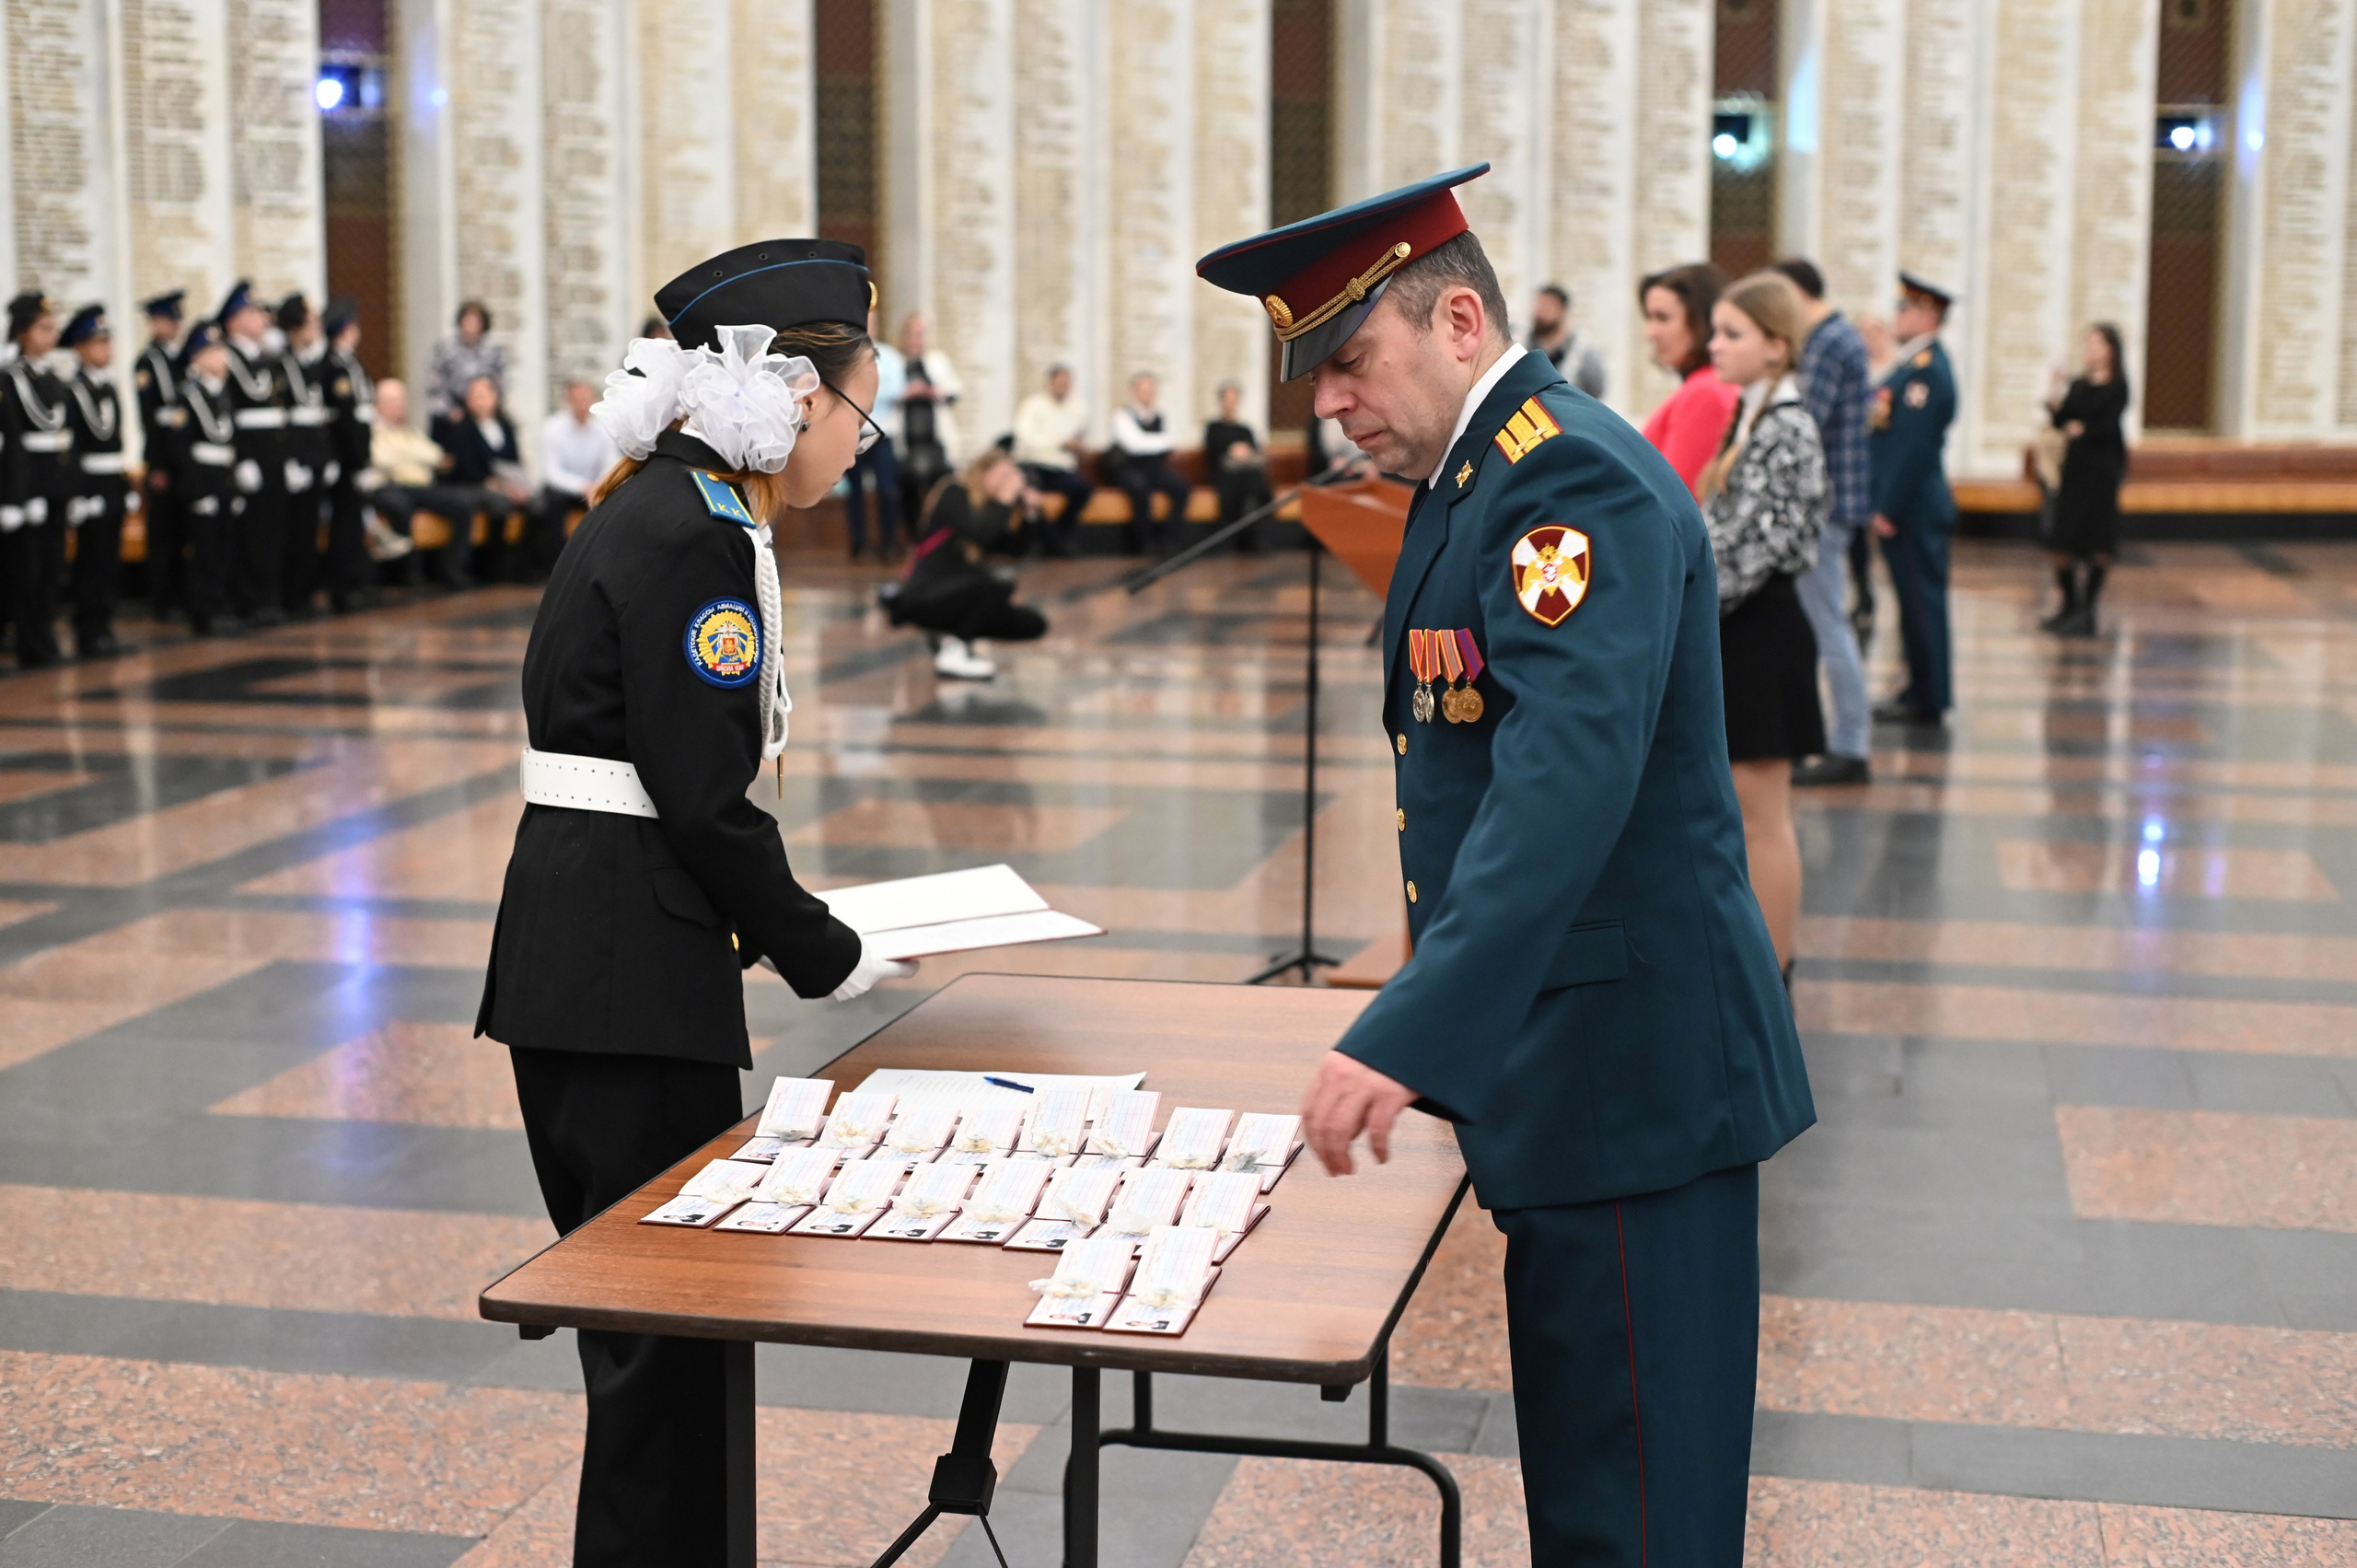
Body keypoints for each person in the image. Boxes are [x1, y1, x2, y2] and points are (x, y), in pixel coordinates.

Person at [1199, 164, 1811, 1568]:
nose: (1328, 404)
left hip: (1638, 1086)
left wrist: (1412, 1026)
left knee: (1637, 1512)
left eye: (1350, 360)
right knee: (1601, 1494)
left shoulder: (1564, 477)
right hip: (1582, 1075)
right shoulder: (1480, 474)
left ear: (1460, 319)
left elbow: (1562, 785)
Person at [477, 237, 913, 1568]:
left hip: (605, 956)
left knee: (672, 1345)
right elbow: (699, 792)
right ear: (791, 396)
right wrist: (819, 944)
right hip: (623, 980)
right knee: (664, 1353)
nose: (863, 440)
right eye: (860, 408)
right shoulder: (691, 534)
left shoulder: (674, 509)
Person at [1699, 273, 1829, 977]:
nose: (1715, 345)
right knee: (1741, 815)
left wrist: (1674, 591)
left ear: (1777, 346)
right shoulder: (1752, 414)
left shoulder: (1788, 428)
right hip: (1739, 628)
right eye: (1716, 330)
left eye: (1732, 334)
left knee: (1764, 817)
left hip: (1763, 630)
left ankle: (1775, 976)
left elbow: (1750, 550)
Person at [1771, 259, 1874, 786]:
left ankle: (1851, 746)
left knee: (1829, 624)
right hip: (1835, 500)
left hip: (1825, 505)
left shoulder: (1830, 342)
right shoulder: (1837, 336)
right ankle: (1831, 737)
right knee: (1823, 622)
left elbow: (1806, 416)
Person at [1870, 273, 1959, 726]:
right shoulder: (1912, 366)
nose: (1897, 317)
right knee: (1913, 605)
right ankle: (1919, 688)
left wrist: (1888, 506)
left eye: (1905, 310)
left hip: (1914, 508)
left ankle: (1929, 697)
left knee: (1923, 604)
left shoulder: (1927, 369)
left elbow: (1913, 448)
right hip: (1910, 505)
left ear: (1927, 316)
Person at [891, 448, 1050, 679]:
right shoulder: (954, 491)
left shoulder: (992, 509)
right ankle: (955, 648)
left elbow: (1015, 550)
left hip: (963, 594)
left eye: (1013, 477)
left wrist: (1030, 513)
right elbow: (978, 534)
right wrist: (1005, 500)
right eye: (1003, 475)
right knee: (998, 584)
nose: (1010, 483)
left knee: (1032, 623)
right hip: (926, 595)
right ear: (983, 472)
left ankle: (951, 637)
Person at [2041, 322, 2130, 636]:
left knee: (2097, 541)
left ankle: (2087, 610)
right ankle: (2069, 605)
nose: (2090, 349)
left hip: (2102, 470)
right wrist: (2055, 395)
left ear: (2111, 350)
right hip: (2076, 469)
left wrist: (2084, 429)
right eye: (2087, 343)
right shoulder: (2079, 384)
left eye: (2097, 344)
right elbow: (2062, 419)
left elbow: (2106, 423)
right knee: (2063, 541)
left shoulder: (2117, 385)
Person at [1, 293, 75, 668]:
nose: (52, 334)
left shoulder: (50, 378)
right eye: (43, 328)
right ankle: (30, 643)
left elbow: (64, 439)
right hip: (29, 488)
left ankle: (44, 639)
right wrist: (19, 496)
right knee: (26, 572)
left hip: (55, 486)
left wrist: (69, 489)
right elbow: (14, 442)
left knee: (52, 569)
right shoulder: (10, 379)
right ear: (22, 332)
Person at [58, 305, 133, 658]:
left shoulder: (107, 388)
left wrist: (123, 485)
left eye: (108, 342)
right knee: (90, 562)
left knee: (108, 563)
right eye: (98, 343)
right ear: (80, 348)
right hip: (89, 484)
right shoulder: (73, 391)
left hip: (111, 483)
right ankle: (88, 630)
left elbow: (113, 439)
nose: (107, 349)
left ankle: (104, 625)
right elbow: (71, 446)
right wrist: (79, 493)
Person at [217, 280, 291, 625]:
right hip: (250, 455)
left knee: (274, 529)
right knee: (251, 532)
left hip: (274, 454)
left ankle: (269, 594)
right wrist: (242, 458)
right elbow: (228, 414)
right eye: (253, 312)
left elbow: (279, 411)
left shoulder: (264, 358)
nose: (262, 318)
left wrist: (286, 455)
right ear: (234, 321)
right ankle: (249, 598)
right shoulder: (228, 358)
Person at [1637, 262, 1739, 495]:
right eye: (1649, 318)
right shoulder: (1708, 385)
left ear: (1702, 321)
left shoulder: (1705, 393)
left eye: (1662, 318)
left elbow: (1673, 498)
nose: (1649, 333)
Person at [357, 377, 470, 587]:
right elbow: (380, 460)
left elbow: (438, 458)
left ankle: (452, 569)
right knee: (400, 506)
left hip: (420, 487)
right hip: (387, 486)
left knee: (461, 503)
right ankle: (409, 574)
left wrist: (406, 454)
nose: (398, 406)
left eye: (401, 400)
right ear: (378, 404)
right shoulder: (370, 430)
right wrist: (414, 456)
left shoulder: (411, 431)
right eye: (392, 401)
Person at [171, 321, 243, 636]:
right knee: (205, 551)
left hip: (224, 480)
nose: (222, 358)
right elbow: (180, 449)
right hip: (202, 483)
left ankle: (221, 605)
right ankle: (203, 613)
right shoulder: (188, 396)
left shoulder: (223, 393)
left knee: (226, 549)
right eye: (214, 351)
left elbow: (229, 442)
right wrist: (197, 490)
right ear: (197, 358)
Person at [430, 375, 528, 581]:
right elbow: (465, 467)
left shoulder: (506, 426)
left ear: (495, 397)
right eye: (475, 396)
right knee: (500, 503)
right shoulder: (461, 428)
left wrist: (516, 485)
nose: (480, 401)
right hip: (472, 484)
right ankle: (491, 568)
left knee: (535, 503)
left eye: (484, 395)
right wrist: (497, 485)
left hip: (505, 483)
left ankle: (522, 566)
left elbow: (514, 461)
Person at [277, 294, 333, 616]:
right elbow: (283, 419)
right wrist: (289, 460)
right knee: (293, 530)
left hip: (314, 457)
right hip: (294, 459)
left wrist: (325, 457)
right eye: (310, 321)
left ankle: (306, 592)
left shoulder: (313, 363)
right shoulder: (281, 363)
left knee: (310, 528)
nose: (316, 327)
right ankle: (292, 595)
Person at [133, 291, 189, 621]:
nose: (176, 325)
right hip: (163, 458)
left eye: (178, 319)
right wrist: (156, 465)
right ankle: (163, 600)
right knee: (164, 533)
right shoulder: (147, 362)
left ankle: (180, 596)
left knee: (182, 532)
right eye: (170, 319)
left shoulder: (180, 359)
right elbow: (150, 419)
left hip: (183, 458)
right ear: (155, 322)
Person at [320, 298, 377, 611]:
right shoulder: (334, 367)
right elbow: (345, 423)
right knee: (344, 526)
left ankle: (355, 583)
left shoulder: (350, 364)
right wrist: (357, 462)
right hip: (344, 460)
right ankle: (342, 589)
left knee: (354, 524)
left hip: (356, 458)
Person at [532, 379, 620, 578]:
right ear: (568, 401)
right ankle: (555, 565)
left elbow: (611, 463)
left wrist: (598, 486)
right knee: (552, 502)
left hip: (594, 486)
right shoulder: (551, 428)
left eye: (587, 398)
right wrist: (582, 486)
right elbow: (552, 472)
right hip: (563, 489)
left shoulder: (604, 427)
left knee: (613, 501)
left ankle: (600, 563)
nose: (583, 404)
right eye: (578, 399)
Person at [1010, 363, 1093, 556]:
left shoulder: (1079, 408)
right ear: (1049, 383)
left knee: (1082, 488)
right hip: (1032, 464)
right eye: (1059, 382)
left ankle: (1058, 537)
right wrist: (1061, 442)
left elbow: (1078, 438)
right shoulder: (1032, 405)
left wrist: (1076, 447)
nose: (1063, 386)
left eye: (1067, 383)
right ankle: (1052, 542)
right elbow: (1025, 438)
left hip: (1060, 468)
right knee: (1031, 494)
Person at [892, 312, 960, 548]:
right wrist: (906, 392)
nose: (916, 338)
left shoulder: (937, 361)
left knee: (940, 491)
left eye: (921, 333)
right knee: (908, 490)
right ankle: (916, 540)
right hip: (909, 442)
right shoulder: (894, 362)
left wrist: (931, 391)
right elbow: (884, 394)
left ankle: (940, 540)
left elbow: (954, 391)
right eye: (912, 332)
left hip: (935, 441)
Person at [1108, 371, 1191, 556]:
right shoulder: (1122, 416)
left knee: (1181, 488)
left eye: (1151, 390)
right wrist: (1160, 441)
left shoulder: (1160, 416)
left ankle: (1170, 539)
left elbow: (1172, 440)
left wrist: (1151, 441)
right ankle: (1145, 542)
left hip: (1153, 469)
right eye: (1143, 390)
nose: (1148, 394)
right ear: (1134, 392)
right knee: (1140, 490)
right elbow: (1134, 446)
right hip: (1129, 469)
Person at [843, 308, 905, 560]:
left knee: (887, 489)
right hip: (855, 432)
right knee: (854, 491)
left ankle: (889, 543)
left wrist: (866, 392)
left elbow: (897, 390)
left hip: (882, 435)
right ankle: (859, 544)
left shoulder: (889, 357)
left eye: (872, 323)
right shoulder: (847, 355)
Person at [1204, 379, 1271, 550]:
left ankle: (1254, 535)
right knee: (1237, 485)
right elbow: (1214, 454)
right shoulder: (1213, 428)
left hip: (1247, 475)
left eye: (1234, 399)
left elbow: (1255, 452)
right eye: (1228, 399)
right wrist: (1233, 450)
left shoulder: (1245, 430)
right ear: (1221, 401)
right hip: (1225, 475)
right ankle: (1234, 538)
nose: (1231, 403)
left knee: (1254, 482)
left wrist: (1244, 453)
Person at [426, 299, 507, 418]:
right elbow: (435, 383)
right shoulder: (445, 350)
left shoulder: (493, 351)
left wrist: (490, 405)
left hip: (485, 410)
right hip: (453, 409)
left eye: (476, 321)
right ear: (460, 322)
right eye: (468, 321)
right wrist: (449, 410)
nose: (471, 325)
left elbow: (501, 381)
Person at [1527, 283, 1607, 400]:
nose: (1540, 313)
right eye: (1538, 305)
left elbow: (1596, 390)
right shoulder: (1523, 344)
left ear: (1562, 310)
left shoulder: (1583, 352)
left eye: (1547, 306)